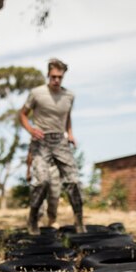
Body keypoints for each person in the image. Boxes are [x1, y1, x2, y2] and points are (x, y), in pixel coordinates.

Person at [19, 58, 85, 235]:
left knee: (73, 180)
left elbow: (67, 116)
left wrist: (70, 133)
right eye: (54, 76)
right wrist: (31, 129)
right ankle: (33, 218)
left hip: (60, 142)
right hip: (41, 142)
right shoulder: (37, 93)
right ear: (48, 74)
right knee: (42, 181)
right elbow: (22, 114)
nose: (56, 80)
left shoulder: (69, 96)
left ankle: (79, 219)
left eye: (60, 77)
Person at [26, 151, 61, 228]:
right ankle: (38, 220)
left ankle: (52, 220)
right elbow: (30, 153)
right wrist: (28, 171)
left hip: (54, 167)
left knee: (54, 195)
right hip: (39, 166)